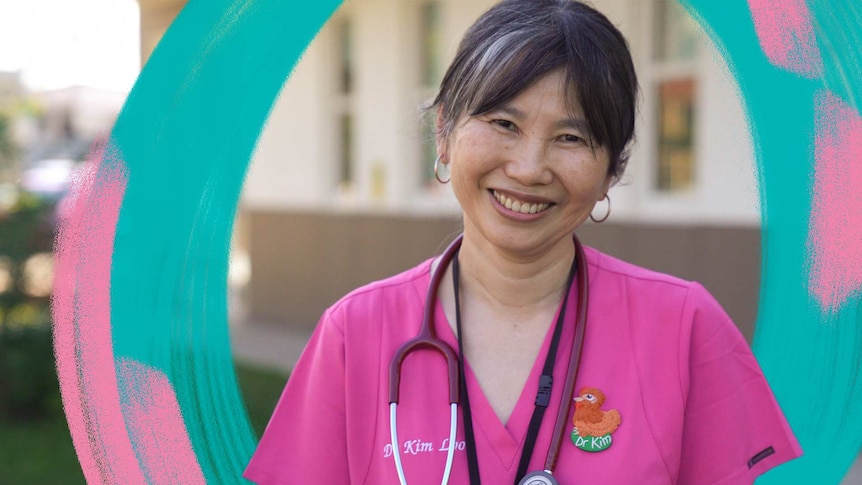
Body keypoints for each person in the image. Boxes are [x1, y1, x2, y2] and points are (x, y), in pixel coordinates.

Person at [244, 0, 802, 483]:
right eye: (503, 124)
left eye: (571, 137)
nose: (529, 168)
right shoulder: (354, 335)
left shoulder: (684, 328)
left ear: (612, 170)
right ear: (444, 132)